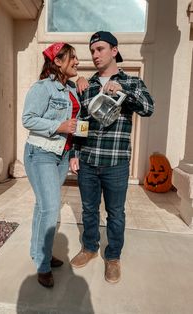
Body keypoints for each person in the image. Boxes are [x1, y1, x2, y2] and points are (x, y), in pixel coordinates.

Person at [69, 31, 154, 284]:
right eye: (93, 51)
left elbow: (149, 108)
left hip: (116, 162)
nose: (95, 55)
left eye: (101, 49)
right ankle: (90, 248)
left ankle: (113, 256)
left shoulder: (133, 83)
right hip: (87, 161)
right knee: (88, 209)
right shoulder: (87, 85)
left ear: (114, 51)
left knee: (115, 212)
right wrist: (75, 153)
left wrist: (124, 88)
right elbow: (81, 123)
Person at [22, 42, 80, 288]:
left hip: (62, 155)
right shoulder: (43, 88)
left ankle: (38, 253)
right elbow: (28, 119)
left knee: (43, 206)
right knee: (51, 208)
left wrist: (73, 151)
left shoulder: (73, 90)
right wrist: (58, 126)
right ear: (58, 61)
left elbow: (77, 122)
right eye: (73, 58)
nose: (77, 62)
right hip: (41, 153)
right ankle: (43, 264)